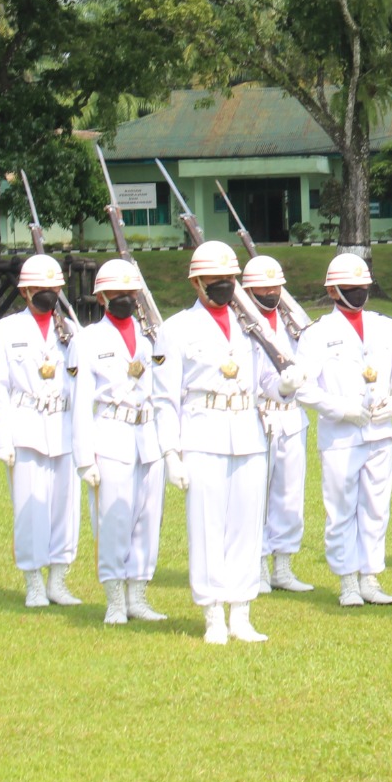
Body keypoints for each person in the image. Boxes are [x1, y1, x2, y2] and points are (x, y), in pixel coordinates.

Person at [155, 240, 290, 644]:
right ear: (197, 282)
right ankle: (213, 612)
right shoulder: (176, 329)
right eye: (215, 281)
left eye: (229, 280)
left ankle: (242, 611)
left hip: (247, 431)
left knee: (247, 527)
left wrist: (285, 385)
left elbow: (267, 380)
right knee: (208, 526)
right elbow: (165, 398)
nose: (223, 287)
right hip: (202, 432)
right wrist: (170, 454)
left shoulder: (252, 324)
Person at [294, 254, 392, 607]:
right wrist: (341, 409)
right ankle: (347, 580)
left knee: (376, 507)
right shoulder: (317, 334)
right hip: (341, 435)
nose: (358, 294)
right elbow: (302, 387)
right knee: (341, 508)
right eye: (350, 289)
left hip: (380, 430)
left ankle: (370, 577)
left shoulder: (384, 326)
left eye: (362, 288)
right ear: (332, 290)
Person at [68, 259, 166, 625]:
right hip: (110, 434)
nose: (126, 298)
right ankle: (114, 600)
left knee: (146, 518)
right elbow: (80, 402)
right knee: (114, 519)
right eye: (118, 293)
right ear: (103, 297)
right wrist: (84, 459)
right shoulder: (88, 339)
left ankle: (137, 596)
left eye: (131, 292)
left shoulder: (149, 337)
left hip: (147, 436)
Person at [0, 254, 81, 608]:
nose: (48, 294)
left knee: (65, 510)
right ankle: (34, 583)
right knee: (29, 510)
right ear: (25, 291)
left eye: (53, 288)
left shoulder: (71, 331)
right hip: (25, 428)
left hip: (64, 427)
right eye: (41, 288)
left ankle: (58, 581)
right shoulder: (5, 331)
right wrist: (2, 440)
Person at [241, 255, 314, 595]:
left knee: (290, 495)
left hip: (292, 415)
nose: (270, 291)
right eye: (263, 287)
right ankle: (256, 564)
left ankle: (283, 566)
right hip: (260, 413)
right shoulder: (243, 324)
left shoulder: (290, 319)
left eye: (275, 286)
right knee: (258, 496)